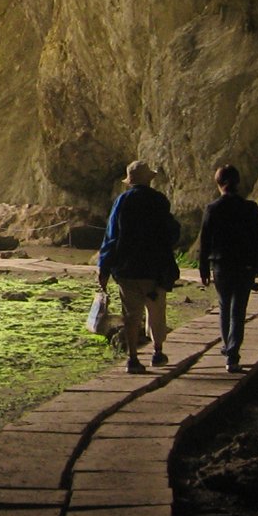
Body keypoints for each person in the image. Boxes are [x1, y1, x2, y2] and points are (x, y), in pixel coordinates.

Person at [96, 159, 180, 373]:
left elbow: (111, 236)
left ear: (130, 181)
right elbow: (171, 232)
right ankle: (157, 352)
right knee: (156, 311)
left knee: (131, 315)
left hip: (127, 269)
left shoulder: (122, 201)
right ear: (148, 180)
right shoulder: (160, 201)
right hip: (155, 268)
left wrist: (103, 268)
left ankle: (133, 358)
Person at [198, 164, 258, 372]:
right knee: (239, 310)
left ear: (218, 184)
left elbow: (205, 242)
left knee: (224, 306)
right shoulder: (250, 208)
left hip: (221, 266)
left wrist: (203, 268)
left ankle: (227, 347)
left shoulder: (212, 209)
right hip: (245, 266)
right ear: (238, 183)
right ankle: (233, 355)